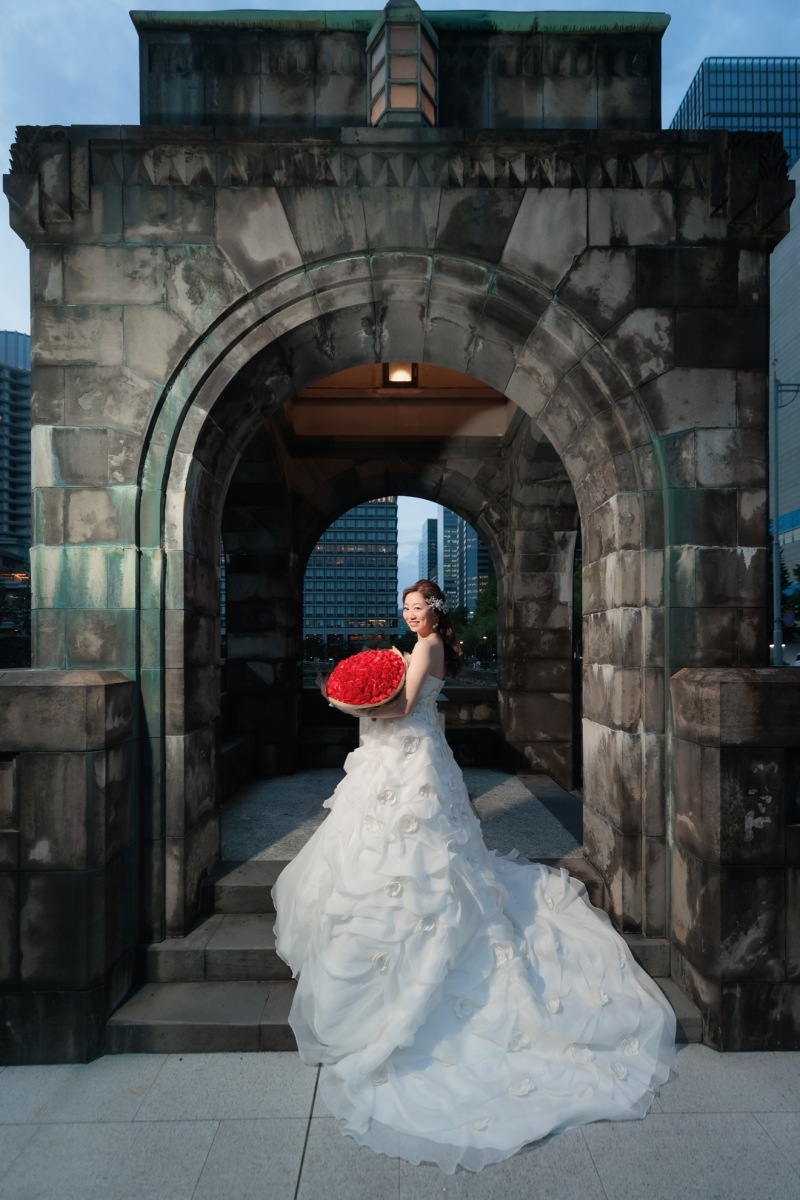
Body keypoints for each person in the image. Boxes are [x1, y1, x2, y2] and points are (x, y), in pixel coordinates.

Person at [273, 579, 676, 1174]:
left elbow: (404, 707)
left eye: (418, 609)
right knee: (391, 849)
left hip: (411, 757)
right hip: (405, 758)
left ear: (434, 612)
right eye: (406, 609)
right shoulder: (423, 646)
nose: (411, 616)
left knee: (416, 853)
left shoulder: (429, 647)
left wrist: (349, 704)